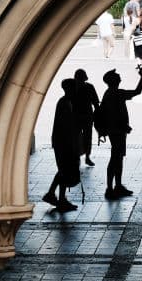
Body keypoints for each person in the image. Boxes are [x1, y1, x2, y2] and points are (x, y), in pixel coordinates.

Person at [100, 66, 142, 200]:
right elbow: (137, 91)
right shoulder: (117, 93)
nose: (119, 76)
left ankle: (116, 186)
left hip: (115, 130)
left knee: (117, 157)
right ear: (114, 80)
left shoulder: (109, 93)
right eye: (117, 75)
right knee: (116, 158)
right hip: (118, 131)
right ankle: (111, 187)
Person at [42, 78, 81, 212]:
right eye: (74, 87)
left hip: (61, 142)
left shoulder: (65, 102)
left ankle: (55, 196)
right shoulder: (65, 104)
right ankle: (57, 197)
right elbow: (67, 127)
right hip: (64, 143)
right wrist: (73, 146)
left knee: (63, 170)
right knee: (64, 170)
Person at [74, 69, 100, 167]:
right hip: (88, 116)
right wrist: (98, 115)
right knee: (88, 137)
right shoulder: (89, 87)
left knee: (76, 137)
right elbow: (95, 102)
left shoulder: (73, 87)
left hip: (76, 116)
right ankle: (87, 157)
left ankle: (77, 156)